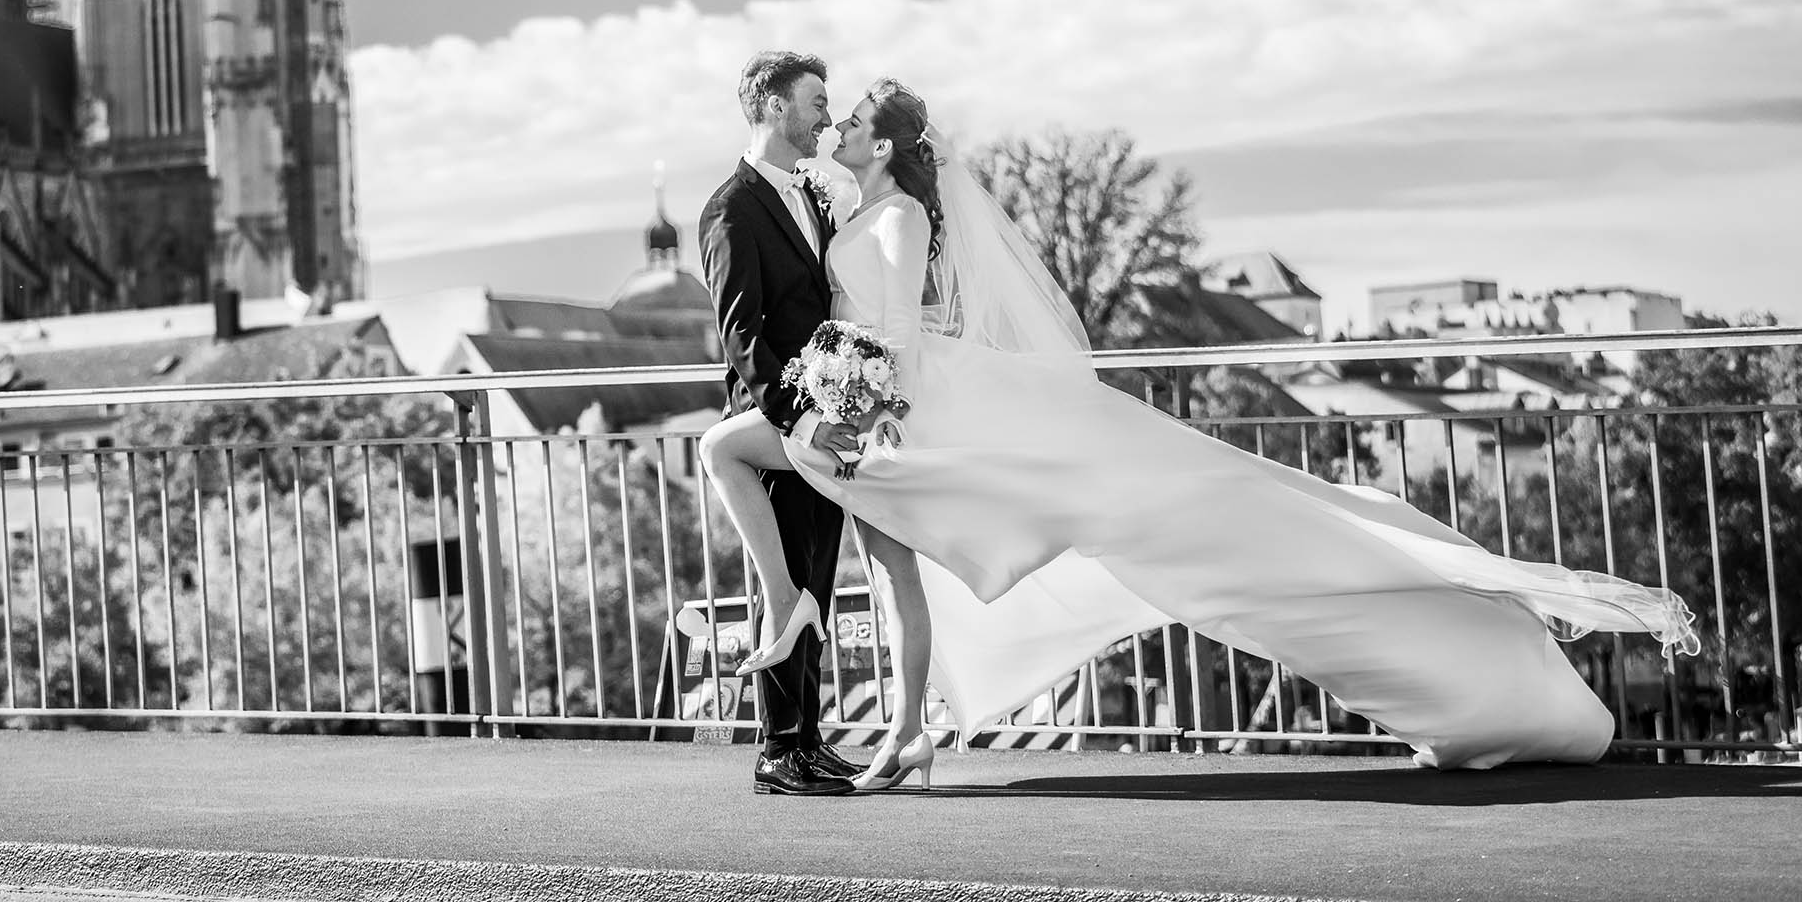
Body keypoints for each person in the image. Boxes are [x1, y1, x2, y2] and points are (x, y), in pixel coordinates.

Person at [701, 76, 1700, 783]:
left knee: (777, 481)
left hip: (891, 408)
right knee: (887, 567)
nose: (835, 125)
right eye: (827, 111)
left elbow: (894, 334)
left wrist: (854, 397)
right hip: (867, 406)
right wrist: (840, 385)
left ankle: (855, 684)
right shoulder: (844, 203)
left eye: (850, 118)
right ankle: (895, 722)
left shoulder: (898, 218)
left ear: (881, 145)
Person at [696, 51, 863, 796]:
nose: (828, 116)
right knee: (785, 578)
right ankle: (777, 750)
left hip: (824, 415)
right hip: (776, 419)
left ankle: (811, 739)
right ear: (773, 105)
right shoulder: (730, 208)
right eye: (816, 101)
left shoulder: (811, 194)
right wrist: (797, 416)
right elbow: (741, 334)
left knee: (815, 578)